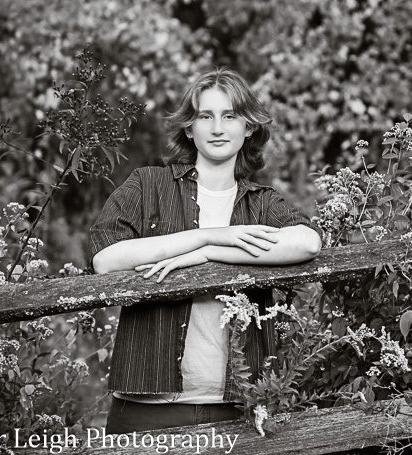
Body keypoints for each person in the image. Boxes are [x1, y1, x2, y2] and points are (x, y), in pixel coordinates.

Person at [89, 67, 322, 434]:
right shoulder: (147, 185)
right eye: (205, 116)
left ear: (248, 127)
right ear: (188, 127)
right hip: (147, 404)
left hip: (237, 404)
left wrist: (209, 253)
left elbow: (308, 242)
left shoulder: (262, 204)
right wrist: (207, 236)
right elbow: (106, 259)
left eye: (230, 116)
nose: (217, 128)